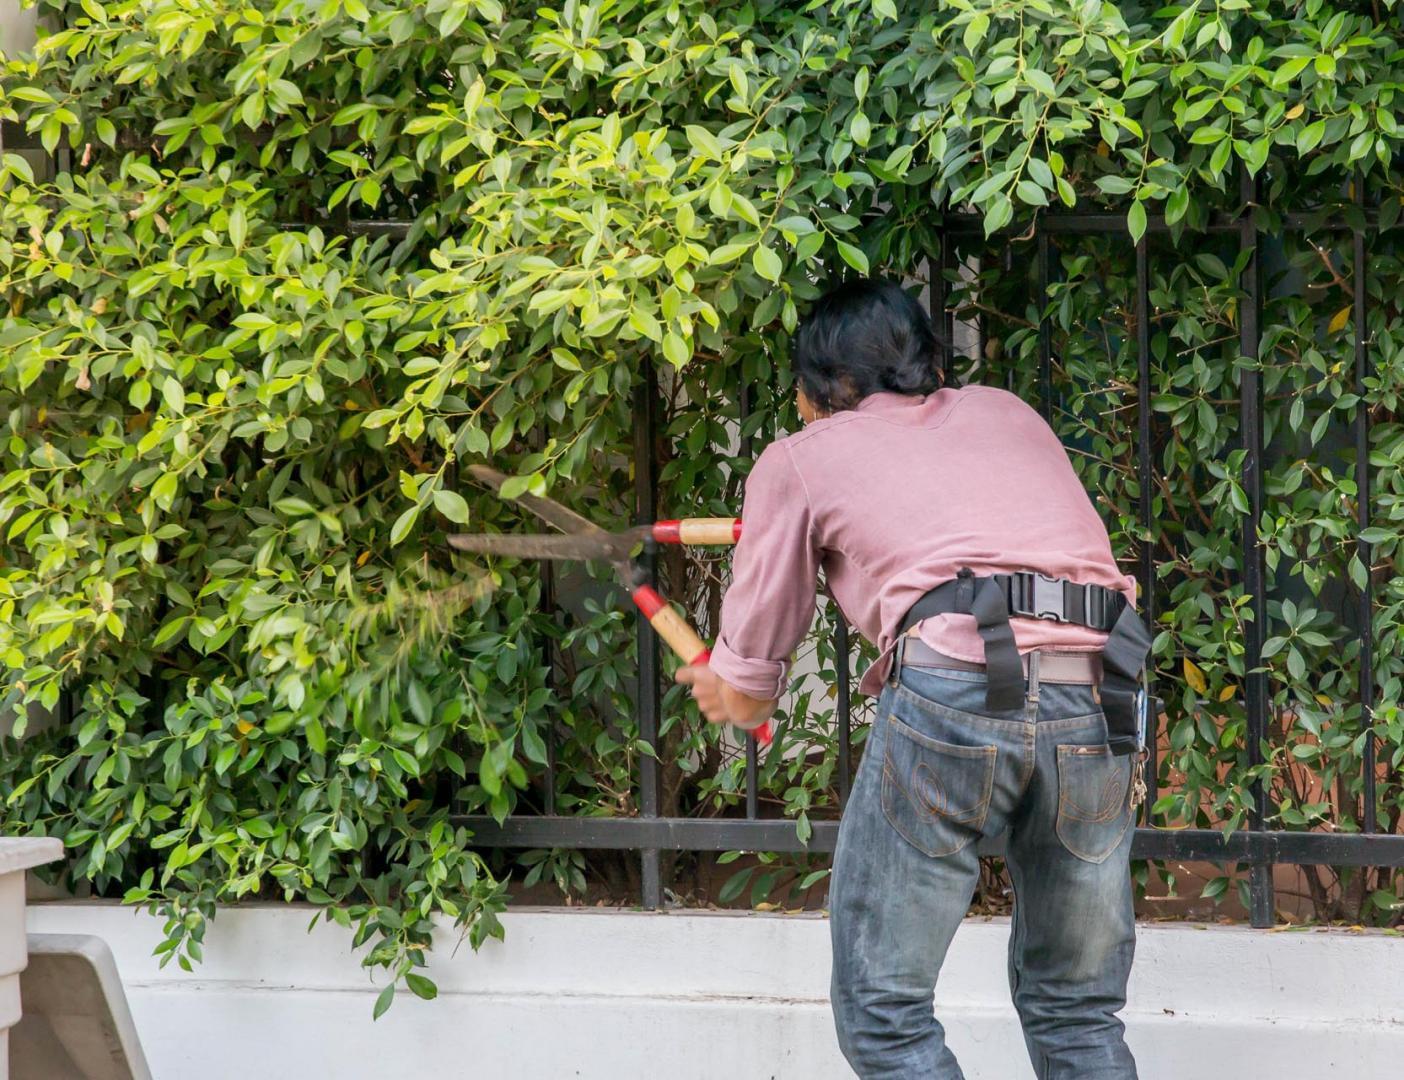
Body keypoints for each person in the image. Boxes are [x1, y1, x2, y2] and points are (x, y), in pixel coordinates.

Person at [675, 278, 1148, 1080]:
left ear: (821, 387)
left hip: (959, 689)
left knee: (884, 1012)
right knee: (1077, 1009)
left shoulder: (802, 457)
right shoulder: (1007, 412)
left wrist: (721, 688)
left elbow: (749, 689)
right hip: (1103, 687)